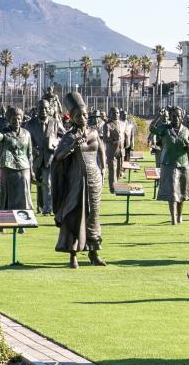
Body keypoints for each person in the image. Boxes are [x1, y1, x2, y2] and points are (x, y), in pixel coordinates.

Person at [52, 92, 106, 268]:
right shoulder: (69, 136)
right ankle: (73, 254)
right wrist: (72, 146)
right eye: (78, 115)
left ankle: (94, 252)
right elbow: (58, 157)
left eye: (84, 114)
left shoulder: (94, 132)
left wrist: (103, 170)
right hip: (77, 180)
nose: (82, 118)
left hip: (94, 179)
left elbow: (102, 152)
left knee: (93, 216)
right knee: (74, 215)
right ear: (72, 118)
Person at [155, 107, 189, 225]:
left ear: (181, 117)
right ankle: (173, 218)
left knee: (181, 193)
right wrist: (159, 117)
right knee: (172, 192)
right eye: (173, 116)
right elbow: (152, 129)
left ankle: (179, 216)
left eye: (178, 116)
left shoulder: (186, 130)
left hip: (183, 164)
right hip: (169, 163)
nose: (176, 118)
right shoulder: (165, 129)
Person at [0, 106, 34, 210]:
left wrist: (32, 170)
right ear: (9, 120)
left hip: (24, 167)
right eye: (14, 119)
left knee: (24, 194)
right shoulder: (4, 133)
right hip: (8, 167)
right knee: (7, 195)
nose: (17, 121)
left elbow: (29, 154)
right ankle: (5, 219)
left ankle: (23, 220)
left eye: (19, 119)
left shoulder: (27, 134)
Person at [25, 99, 63, 215]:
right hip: (34, 158)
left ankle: (48, 208)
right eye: (41, 108)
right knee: (36, 183)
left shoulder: (55, 122)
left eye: (46, 108)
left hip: (49, 157)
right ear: (37, 109)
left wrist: (56, 143)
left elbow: (64, 136)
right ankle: (37, 206)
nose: (44, 111)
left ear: (50, 109)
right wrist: (32, 148)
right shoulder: (30, 124)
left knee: (48, 183)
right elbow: (25, 139)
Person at [102, 107, 126, 191]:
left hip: (121, 150)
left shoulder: (123, 124)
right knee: (112, 170)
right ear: (110, 114)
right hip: (111, 151)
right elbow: (105, 138)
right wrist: (113, 140)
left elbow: (124, 136)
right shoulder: (107, 125)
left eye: (117, 112)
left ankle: (117, 185)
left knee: (119, 170)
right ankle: (112, 188)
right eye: (114, 113)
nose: (116, 114)